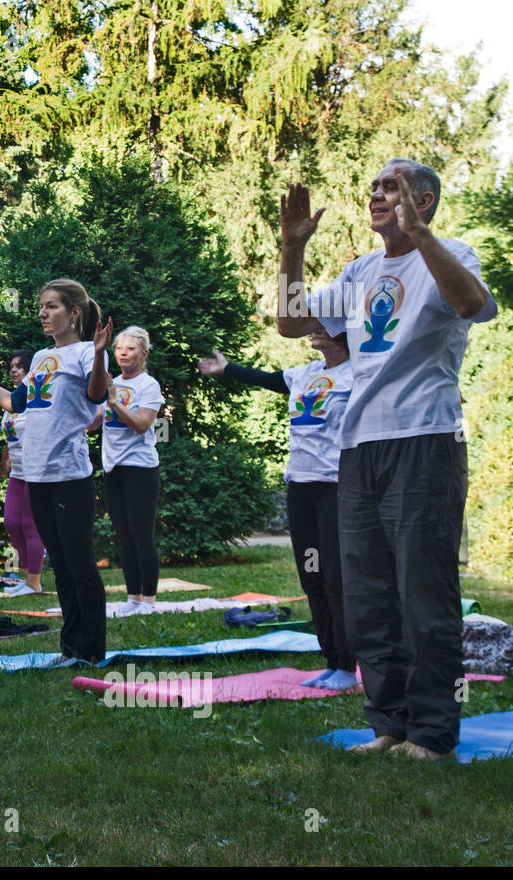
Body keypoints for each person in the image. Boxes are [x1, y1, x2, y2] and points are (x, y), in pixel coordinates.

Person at [277, 159, 498, 759]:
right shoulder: (361, 271)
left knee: (423, 591)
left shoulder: (453, 254)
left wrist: (422, 238)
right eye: (374, 187)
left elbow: (471, 304)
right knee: (369, 593)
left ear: (422, 201)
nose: (375, 195)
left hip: (423, 439)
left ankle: (431, 732)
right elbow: (292, 321)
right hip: (357, 447)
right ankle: (390, 723)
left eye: (391, 187)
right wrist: (291, 249)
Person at [0, 279, 111, 662]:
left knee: (81, 564)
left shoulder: (88, 352)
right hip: (35, 476)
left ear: (74, 313)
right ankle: (72, 648)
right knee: (63, 568)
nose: (42, 313)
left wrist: (102, 355)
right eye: (40, 306)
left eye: (51, 306)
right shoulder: (39, 358)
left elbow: (98, 396)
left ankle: (92, 650)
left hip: (70, 476)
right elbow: (13, 402)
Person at [199, 328, 355, 688]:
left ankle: (348, 664)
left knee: (336, 580)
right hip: (300, 488)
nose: (314, 329)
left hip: (336, 487)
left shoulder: (358, 374)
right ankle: (332, 660)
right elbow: (268, 380)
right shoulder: (304, 374)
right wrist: (228, 369)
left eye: (324, 324)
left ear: (345, 333)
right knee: (312, 578)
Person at [100, 326, 164, 614]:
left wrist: (113, 401)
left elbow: (142, 424)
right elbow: (97, 420)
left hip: (140, 470)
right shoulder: (110, 383)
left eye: (130, 348)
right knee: (123, 537)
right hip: (113, 469)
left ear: (144, 353)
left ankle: (149, 601)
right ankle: (133, 598)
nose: (123, 353)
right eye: (119, 348)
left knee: (141, 535)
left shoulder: (148, 385)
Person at [0, 350, 45, 596]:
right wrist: (5, 461)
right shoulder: (10, 402)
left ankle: (34, 582)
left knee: (30, 525)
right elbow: (10, 437)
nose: (14, 370)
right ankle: (28, 579)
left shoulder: (35, 400)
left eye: (19, 366)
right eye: (11, 367)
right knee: (11, 523)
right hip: (17, 472)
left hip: (35, 471)